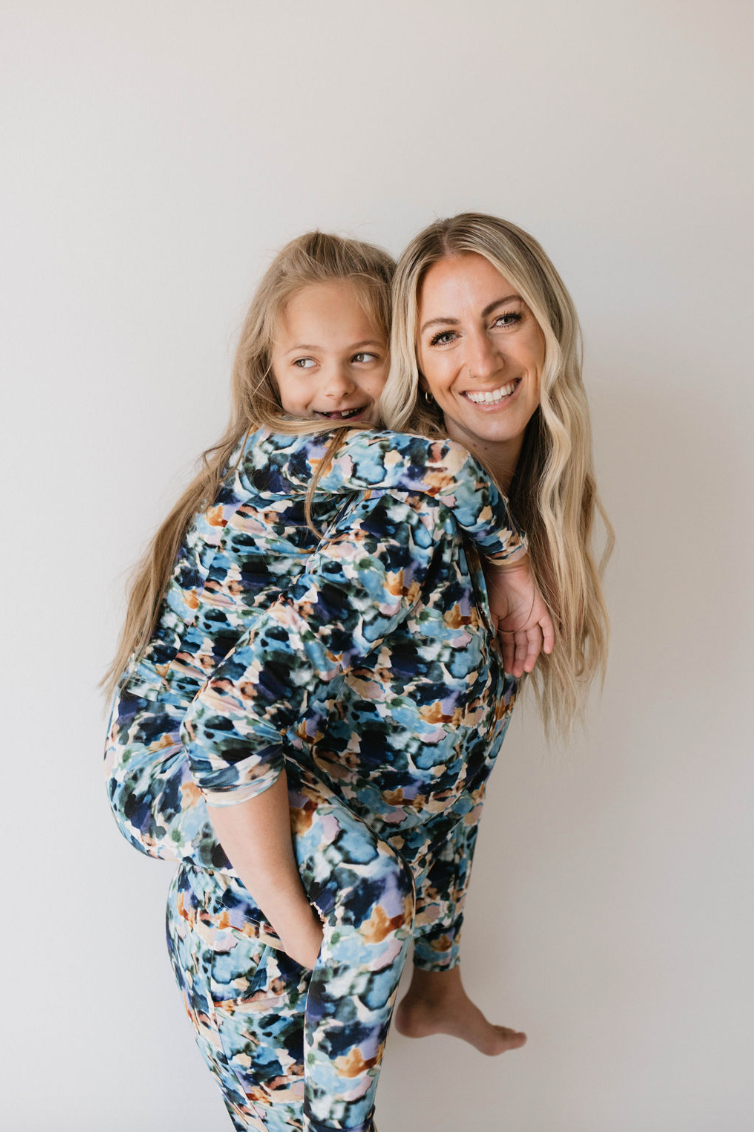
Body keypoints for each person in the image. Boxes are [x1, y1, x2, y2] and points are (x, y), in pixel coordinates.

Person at [104, 230, 551, 1132]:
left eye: (360, 358)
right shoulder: (395, 512)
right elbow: (226, 725)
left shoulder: (416, 522)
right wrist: (323, 942)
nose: (336, 388)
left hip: (296, 881)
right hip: (242, 881)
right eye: (446, 335)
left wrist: (433, 969)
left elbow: (448, 789)